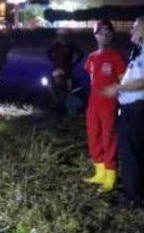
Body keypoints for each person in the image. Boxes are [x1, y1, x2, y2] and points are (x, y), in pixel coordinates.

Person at [102, 16, 144, 208]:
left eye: (135, 28)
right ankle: (134, 193)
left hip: (135, 110)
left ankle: (131, 199)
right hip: (132, 109)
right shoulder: (139, 51)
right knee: (134, 152)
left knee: (130, 154)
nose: (131, 32)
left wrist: (118, 88)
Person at [82, 20, 126, 192]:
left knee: (109, 138)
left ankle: (110, 175)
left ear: (112, 35)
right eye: (101, 32)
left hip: (110, 105)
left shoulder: (116, 56)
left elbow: (123, 81)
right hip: (93, 104)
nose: (105, 35)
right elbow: (92, 79)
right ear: (95, 35)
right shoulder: (91, 57)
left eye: (108, 32)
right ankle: (99, 172)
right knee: (94, 136)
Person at [46, 28, 83, 114]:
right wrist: (53, 61)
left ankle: (68, 105)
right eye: (59, 36)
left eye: (63, 36)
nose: (61, 38)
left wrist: (74, 63)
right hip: (56, 70)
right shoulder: (55, 45)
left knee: (69, 87)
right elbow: (48, 52)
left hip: (67, 70)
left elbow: (80, 54)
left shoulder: (71, 46)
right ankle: (55, 104)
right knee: (51, 85)